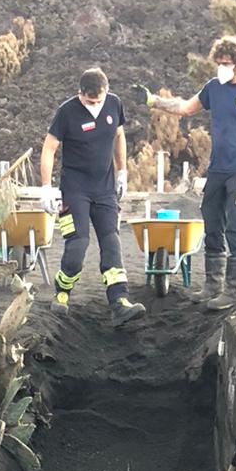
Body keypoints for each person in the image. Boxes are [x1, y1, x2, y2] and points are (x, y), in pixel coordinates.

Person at [137, 35, 236, 308]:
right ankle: (212, 284)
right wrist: (154, 100)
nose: (221, 68)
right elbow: (186, 108)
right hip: (217, 170)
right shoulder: (214, 88)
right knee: (212, 225)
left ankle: (234, 289)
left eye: (225, 63)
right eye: (218, 63)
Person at [39, 68, 145, 327]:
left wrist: (122, 172)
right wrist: (46, 187)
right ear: (80, 95)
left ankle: (119, 302)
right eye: (89, 101)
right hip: (75, 189)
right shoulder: (67, 112)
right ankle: (63, 292)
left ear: (106, 93)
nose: (95, 106)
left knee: (112, 242)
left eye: (98, 101)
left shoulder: (114, 104)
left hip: (105, 188)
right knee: (78, 245)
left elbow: (119, 135)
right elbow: (49, 148)